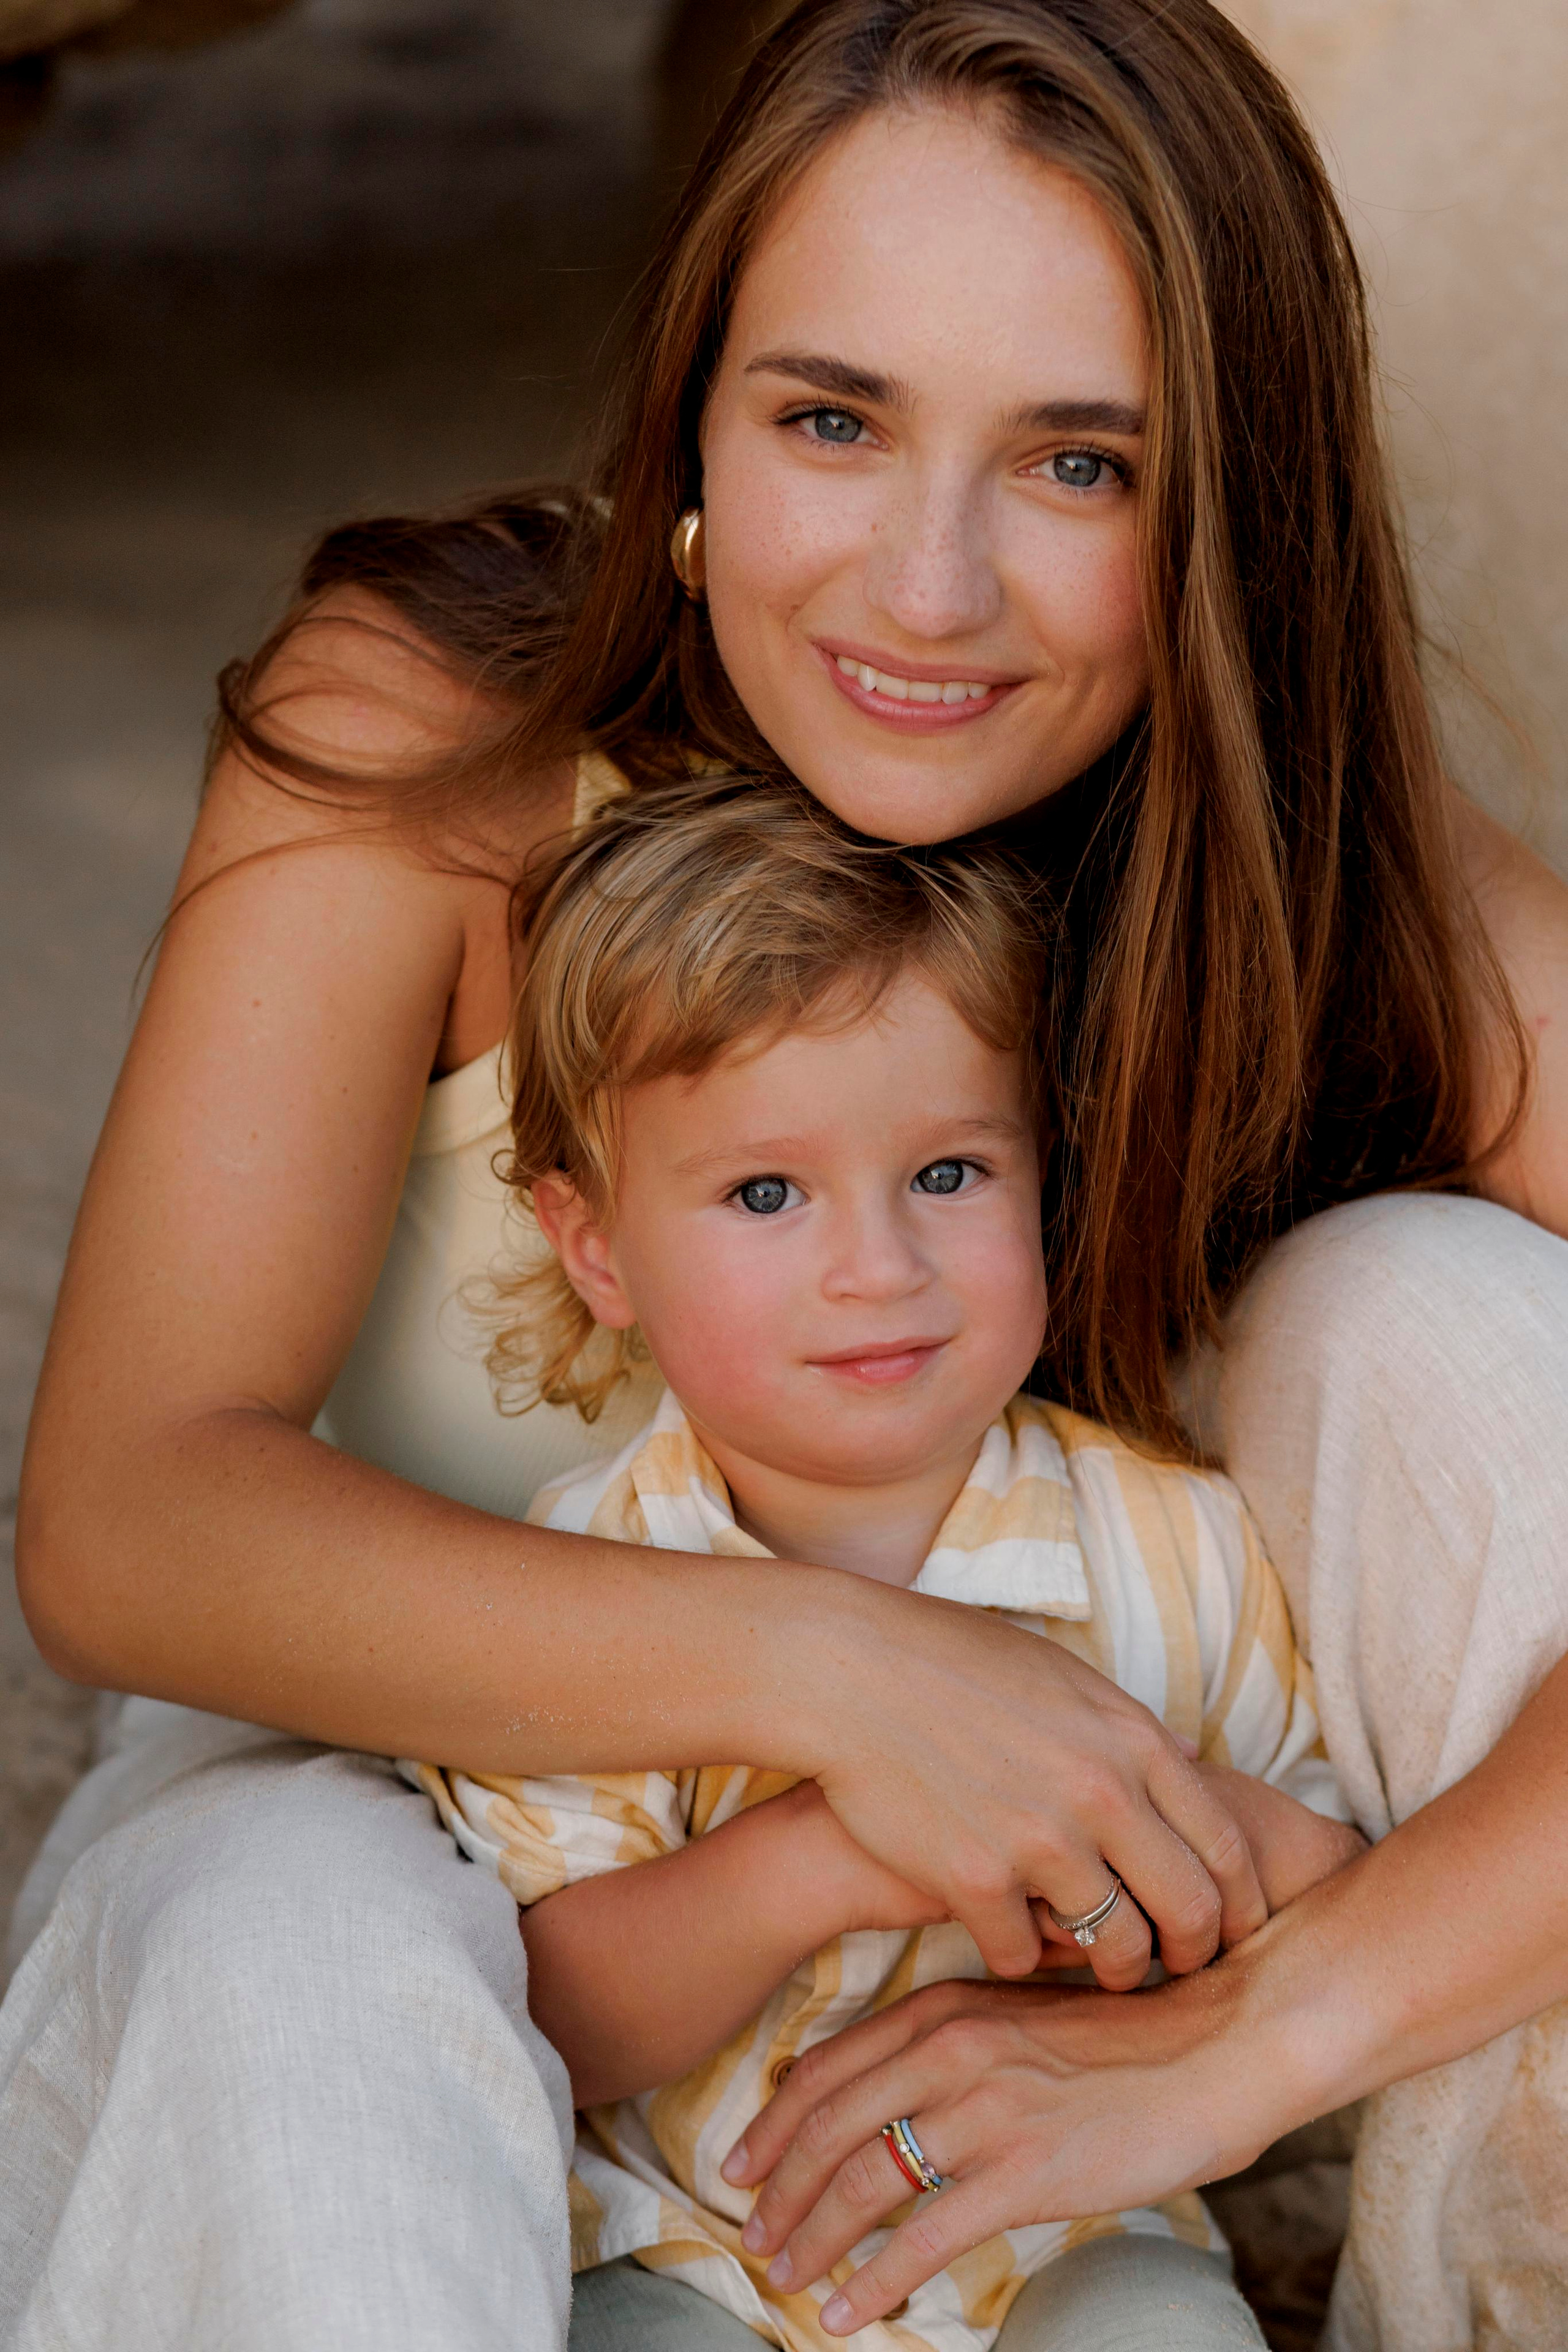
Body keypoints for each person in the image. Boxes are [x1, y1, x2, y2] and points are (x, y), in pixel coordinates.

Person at [2, 2, 1565, 2348]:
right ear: (699, 423)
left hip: (1003, 1984)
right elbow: (127, 1527)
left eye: (1079, 465)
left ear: (1225, 508)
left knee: (1441, 1319)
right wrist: (857, 1679)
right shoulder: (437, 730)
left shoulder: (1307, 863)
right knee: (296, 1940)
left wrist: (1273, 2022)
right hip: (383, 1823)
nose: (923, 591)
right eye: (834, 419)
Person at [408, 774, 1362, 2351]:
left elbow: (1333, 1895)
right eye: (764, 1193)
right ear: (595, 1248)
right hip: (680, 2249)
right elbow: (543, 2023)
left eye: (946, 1175)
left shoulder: (1170, 1547)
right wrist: (837, 1856)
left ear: (1039, 1170)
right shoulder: (585, 1579)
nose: (878, 1268)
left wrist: (1157, 1832)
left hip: (1067, 2223)